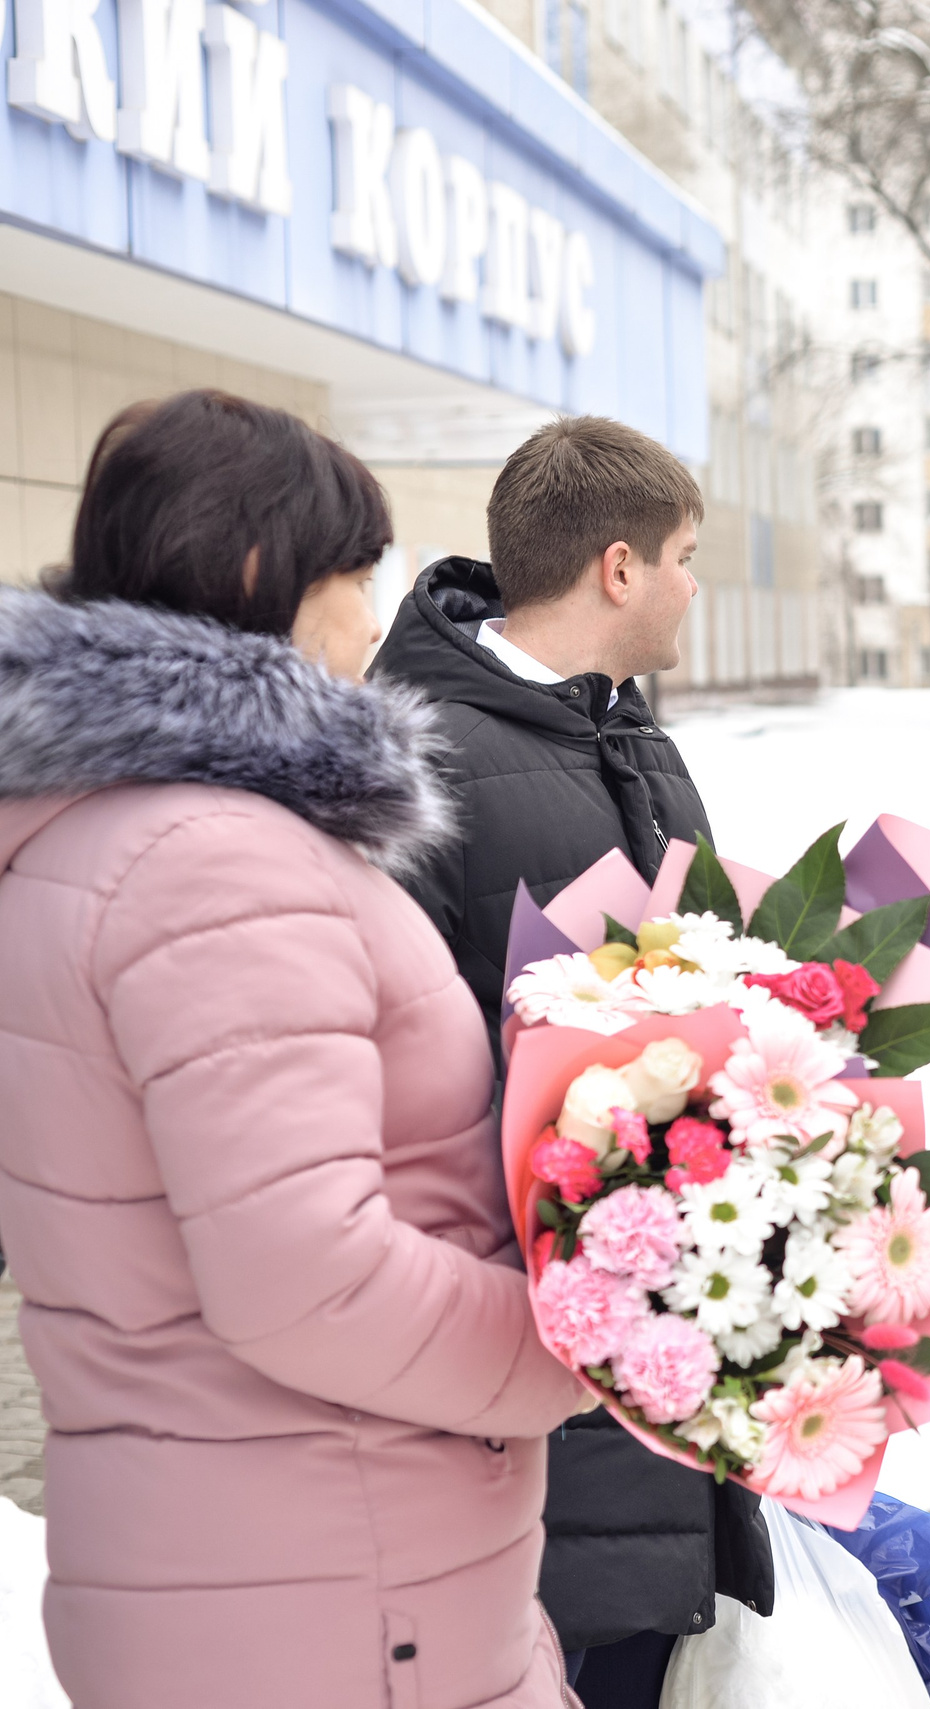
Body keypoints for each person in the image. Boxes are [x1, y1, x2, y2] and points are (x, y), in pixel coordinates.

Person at [0, 390, 588, 1706]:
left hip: (263, 1565)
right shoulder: (213, 860)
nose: (376, 621)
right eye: (355, 571)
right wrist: (579, 1346)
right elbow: (304, 1274)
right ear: (264, 573)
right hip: (327, 1580)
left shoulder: (102, 829)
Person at [370, 416, 773, 1707]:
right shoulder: (417, 758)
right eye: (685, 556)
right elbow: (385, 1079)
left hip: (663, 1383)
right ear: (618, 568)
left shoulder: (639, 742)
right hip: (521, 1392)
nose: (695, 586)